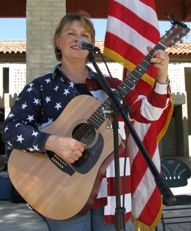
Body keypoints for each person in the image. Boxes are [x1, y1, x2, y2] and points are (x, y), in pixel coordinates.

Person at [2, 11, 171, 231]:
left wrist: (162, 77)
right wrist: (51, 142)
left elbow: (149, 114)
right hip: (60, 189)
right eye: (70, 33)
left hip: (113, 192)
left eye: (85, 35)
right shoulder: (41, 87)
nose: (78, 38)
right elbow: (11, 129)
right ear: (57, 42)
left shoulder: (111, 86)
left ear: (92, 45)